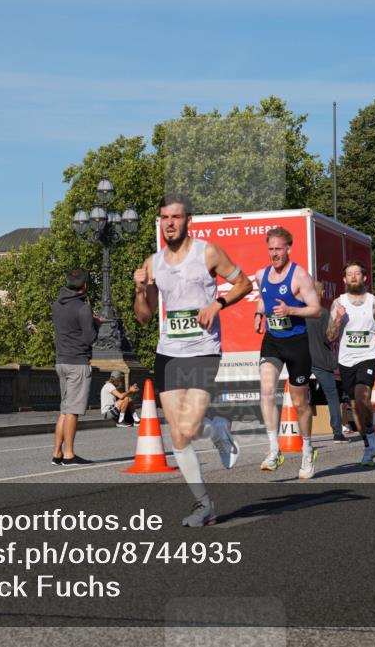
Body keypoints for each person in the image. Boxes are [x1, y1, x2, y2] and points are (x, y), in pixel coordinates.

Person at [133, 194, 252, 527]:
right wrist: (140, 291)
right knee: (180, 436)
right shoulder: (153, 263)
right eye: (164, 218)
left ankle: (218, 429)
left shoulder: (208, 253)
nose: (169, 223)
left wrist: (218, 304)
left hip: (203, 349)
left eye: (175, 217)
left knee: (187, 427)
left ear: (188, 220)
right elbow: (144, 317)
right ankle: (204, 504)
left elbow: (244, 283)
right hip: (169, 352)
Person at [254, 226, 323, 478]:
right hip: (273, 341)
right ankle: (274, 449)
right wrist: (258, 314)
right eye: (271, 249)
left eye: (279, 249)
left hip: (296, 343)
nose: (274, 254)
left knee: (299, 403)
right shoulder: (261, 274)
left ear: (288, 248)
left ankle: (307, 450)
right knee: (266, 390)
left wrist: (291, 311)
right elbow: (264, 298)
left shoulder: (300, 276)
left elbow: (316, 310)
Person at [327, 261, 375, 466]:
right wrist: (338, 320)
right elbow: (330, 336)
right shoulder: (338, 303)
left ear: (364, 277)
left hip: (368, 355)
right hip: (346, 359)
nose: (354, 277)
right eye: (350, 274)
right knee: (355, 406)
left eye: (357, 273)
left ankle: (371, 437)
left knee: (361, 395)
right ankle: (369, 445)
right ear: (344, 279)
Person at [52, 268, 99, 465]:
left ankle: (57, 453)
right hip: (77, 362)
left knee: (65, 409)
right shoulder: (83, 308)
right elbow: (89, 338)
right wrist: (96, 324)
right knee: (73, 411)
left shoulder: (57, 304)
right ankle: (69, 454)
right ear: (84, 285)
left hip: (61, 361)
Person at [306, 282, 347, 443]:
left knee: (300, 398)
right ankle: (337, 433)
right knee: (332, 396)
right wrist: (338, 318)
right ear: (321, 293)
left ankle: (301, 436)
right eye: (323, 290)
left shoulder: (299, 312)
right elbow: (329, 337)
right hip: (320, 360)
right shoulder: (322, 313)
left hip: (302, 359)